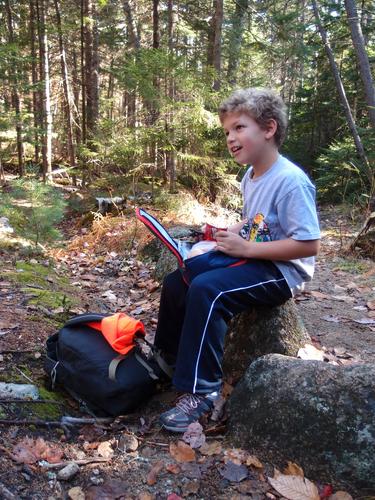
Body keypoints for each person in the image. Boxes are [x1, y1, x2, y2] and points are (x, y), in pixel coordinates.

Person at [154, 87, 321, 433]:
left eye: (239, 128)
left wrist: (245, 249)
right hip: (253, 256)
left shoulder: (291, 182)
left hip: (280, 271)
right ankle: (167, 359)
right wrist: (218, 236)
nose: (230, 138)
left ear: (269, 128)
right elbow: (254, 222)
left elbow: (308, 244)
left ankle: (202, 391)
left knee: (208, 289)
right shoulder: (251, 176)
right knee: (181, 276)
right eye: (227, 131)